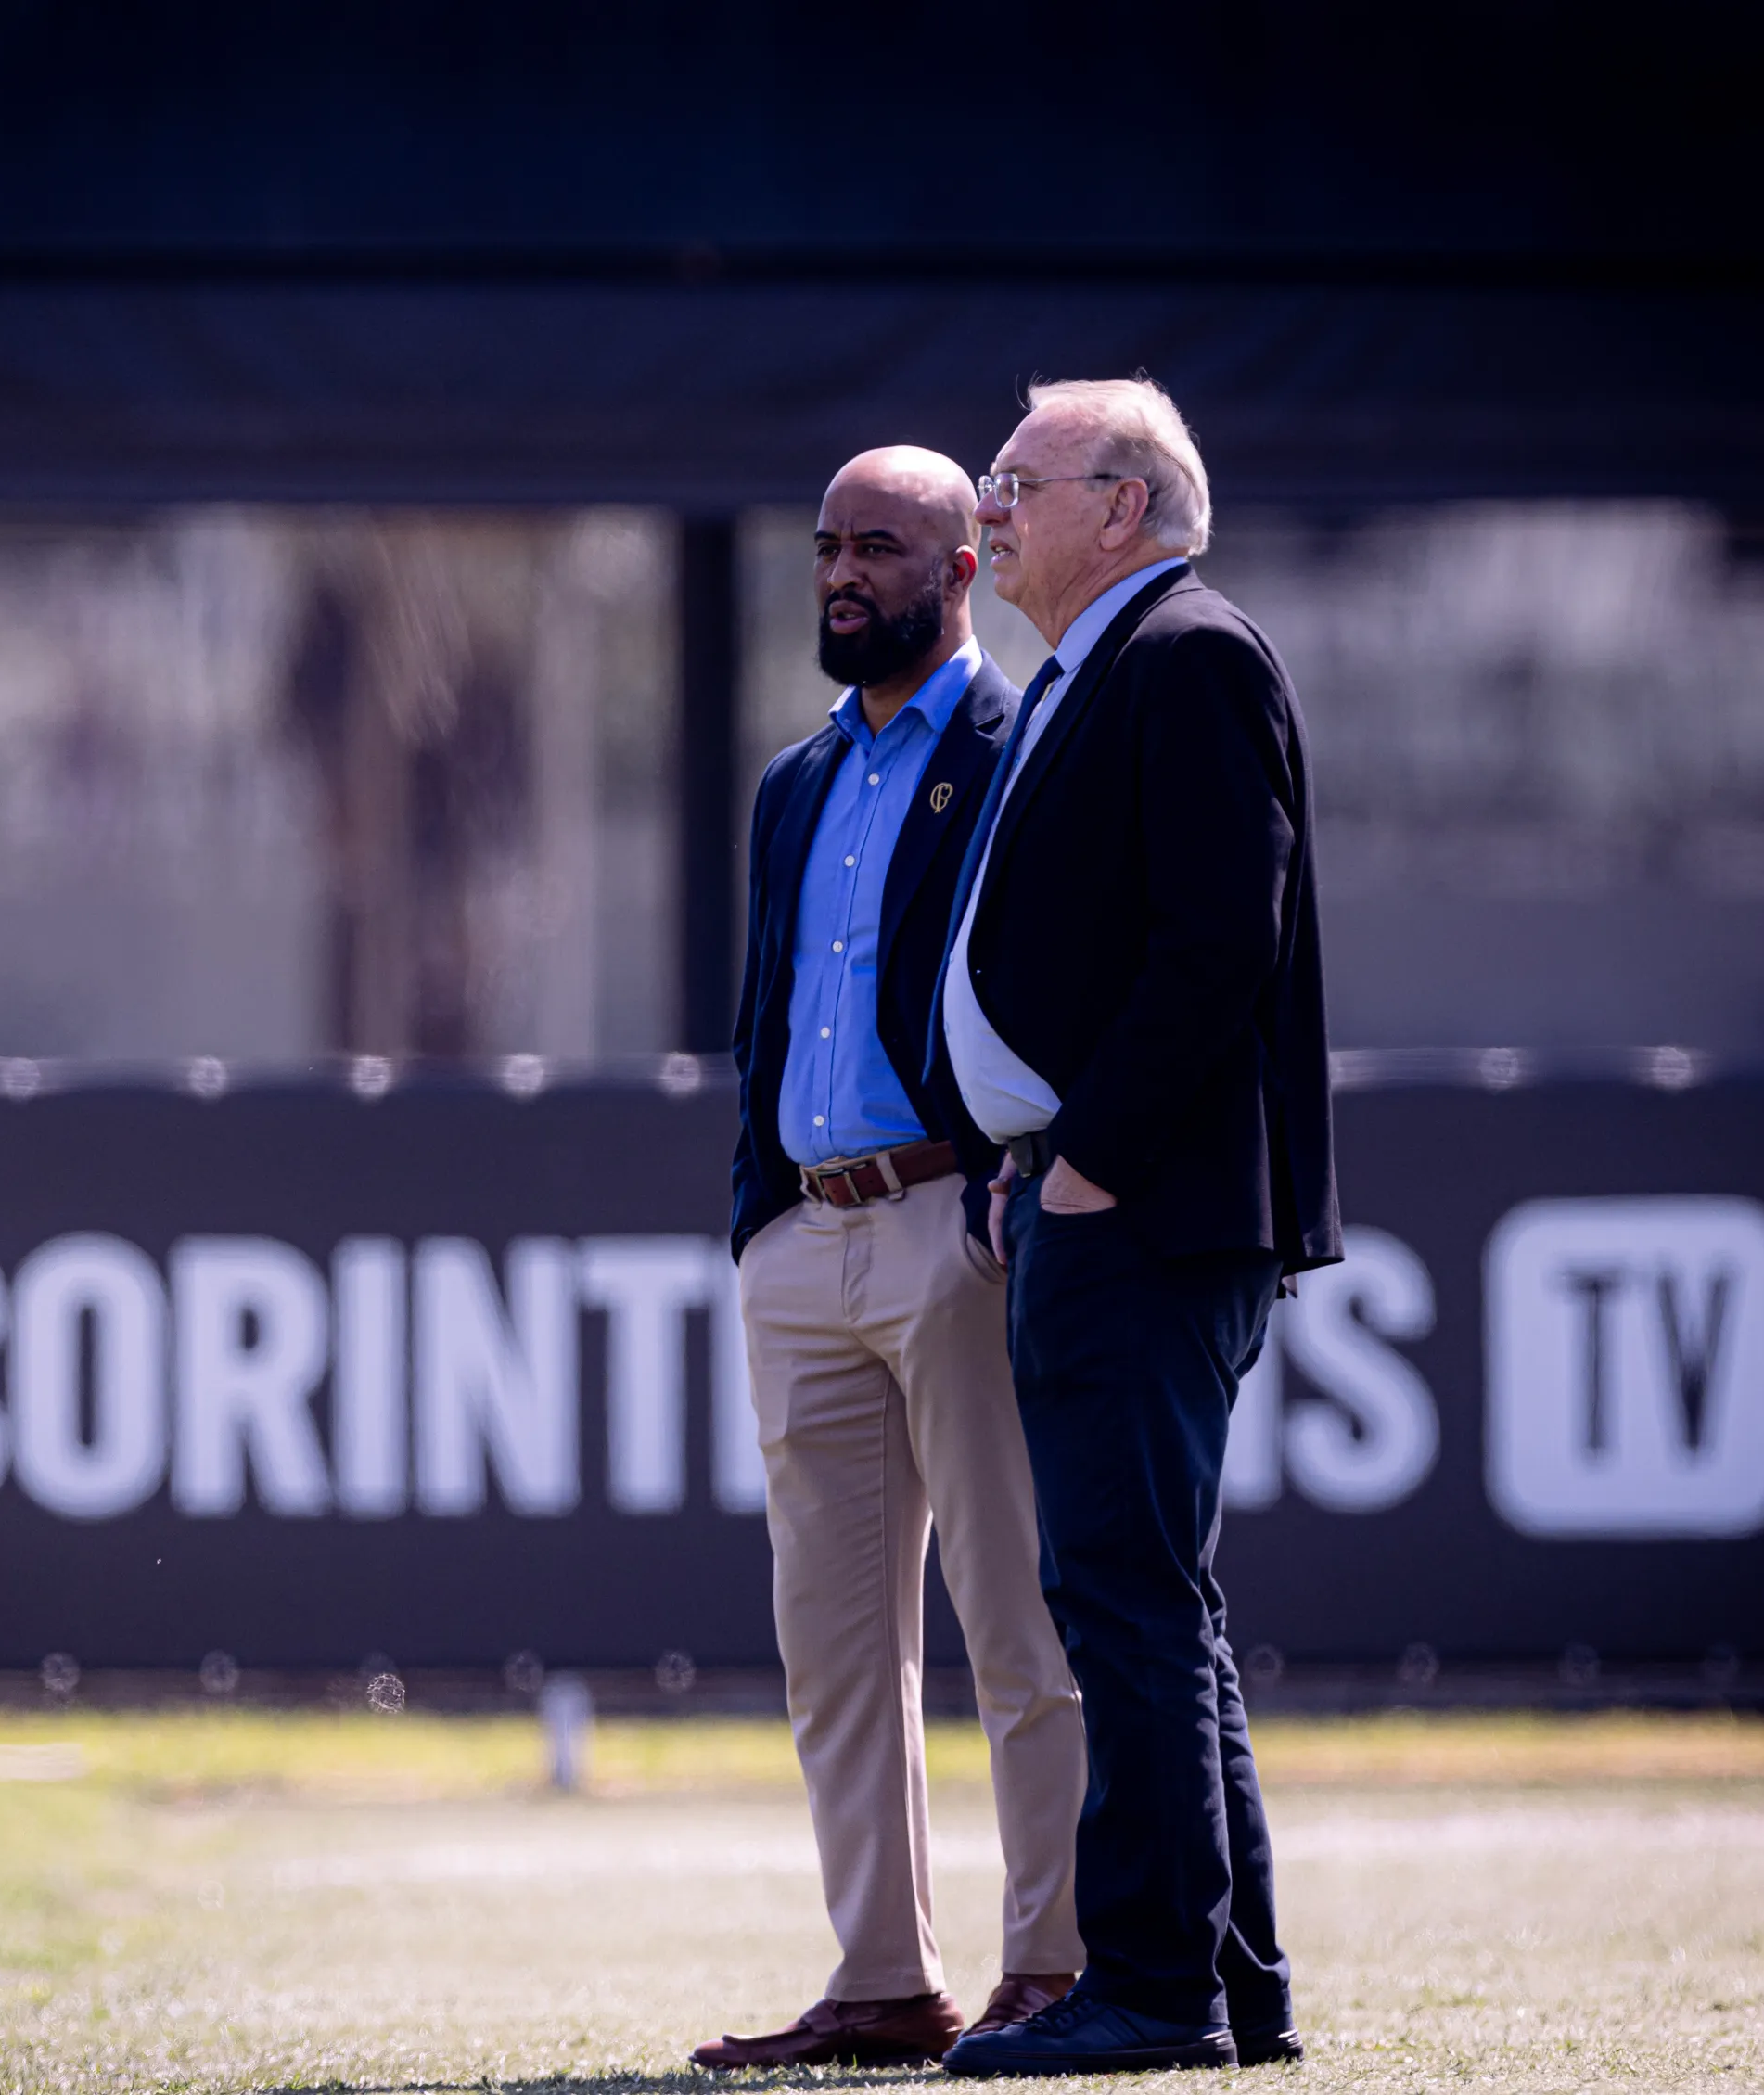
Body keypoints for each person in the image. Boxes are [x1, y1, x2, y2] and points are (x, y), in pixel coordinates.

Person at [930, 380, 1340, 2077]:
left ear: (1123, 505)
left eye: (1017, 480)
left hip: (1143, 1211)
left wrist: (1087, 1157)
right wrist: (1032, 1154)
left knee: (1123, 1598)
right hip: (1089, 1197)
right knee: (1155, 1594)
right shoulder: (1096, 667)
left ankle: (1155, 1987)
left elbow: (1220, 936)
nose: (990, 507)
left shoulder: (1187, 652)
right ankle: (1236, 1986)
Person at [697, 447, 1088, 2071]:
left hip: (951, 1227)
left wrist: (1008, 1193)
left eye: (878, 546)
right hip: (807, 1238)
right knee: (836, 1652)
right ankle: (881, 1978)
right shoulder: (794, 781)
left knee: (1017, 1626)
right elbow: (764, 1017)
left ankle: (1055, 1964)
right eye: (826, 546)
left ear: (962, 569)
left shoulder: (1020, 744)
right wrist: (760, 1221)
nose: (842, 573)